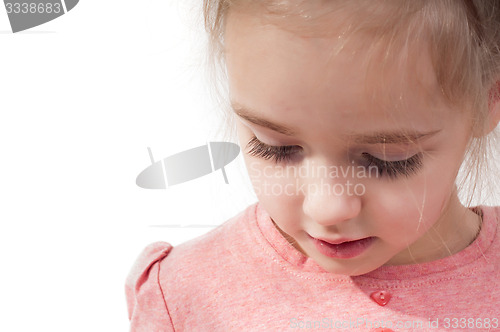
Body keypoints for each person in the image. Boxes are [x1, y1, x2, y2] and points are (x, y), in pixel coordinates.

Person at [125, 1, 500, 331]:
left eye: (387, 160)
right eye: (276, 148)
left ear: (489, 100)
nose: (328, 208)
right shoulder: (186, 294)